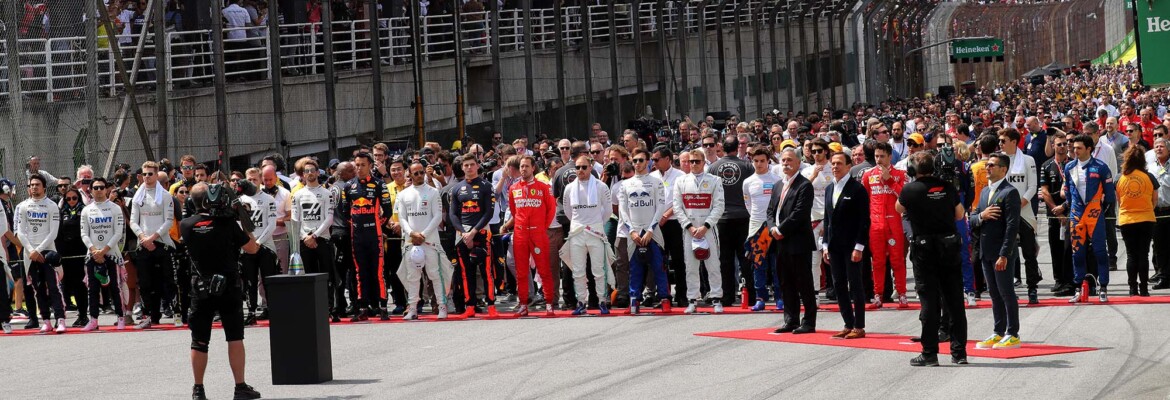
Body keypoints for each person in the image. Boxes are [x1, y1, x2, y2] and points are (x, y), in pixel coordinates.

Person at [181, 183, 262, 400]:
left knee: (199, 340)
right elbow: (252, 248)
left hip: (200, 287)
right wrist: (242, 217)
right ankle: (240, 386)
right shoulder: (227, 224)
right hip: (228, 286)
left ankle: (198, 388)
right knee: (234, 337)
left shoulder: (186, 225)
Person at [896, 152, 969, 366]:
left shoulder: (909, 189)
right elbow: (960, 214)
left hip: (924, 250)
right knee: (955, 301)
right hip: (948, 247)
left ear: (912, 170)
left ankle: (929, 354)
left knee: (929, 302)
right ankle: (959, 353)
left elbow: (898, 208)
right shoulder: (947, 186)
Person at [970, 153, 1022, 350]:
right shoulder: (984, 192)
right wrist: (982, 216)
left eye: (992, 165)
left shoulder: (1010, 193)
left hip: (1001, 252)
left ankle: (1012, 332)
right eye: (987, 164)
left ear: (1003, 169)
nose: (987, 168)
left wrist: (1004, 254)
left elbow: (1012, 226)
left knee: (1006, 292)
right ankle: (998, 330)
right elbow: (972, 218)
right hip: (986, 251)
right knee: (993, 293)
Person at [339, 153, 394, 321]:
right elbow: (343, 211)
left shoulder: (379, 185)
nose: (359, 168)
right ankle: (362, 307)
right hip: (357, 236)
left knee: (378, 272)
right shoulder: (348, 186)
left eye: (363, 164)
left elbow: (388, 210)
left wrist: (377, 223)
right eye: (357, 165)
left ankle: (383, 306)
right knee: (359, 272)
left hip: (374, 235)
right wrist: (354, 223)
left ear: (370, 165)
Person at [394, 161, 453, 319]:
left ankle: (442, 306)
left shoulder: (433, 192)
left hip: (430, 241)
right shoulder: (403, 195)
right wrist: (412, 233)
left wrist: (423, 235)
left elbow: (437, 217)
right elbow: (402, 218)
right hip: (410, 242)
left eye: (422, 172)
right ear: (410, 175)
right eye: (416, 173)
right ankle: (412, 308)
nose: (420, 175)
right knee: (412, 276)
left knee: (435, 274)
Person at [768, 148, 817, 334]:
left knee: (803, 282)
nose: (785, 164)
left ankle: (809, 322)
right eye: (783, 160)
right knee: (785, 281)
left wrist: (781, 229)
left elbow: (800, 214)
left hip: (798, 241)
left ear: (798, 163)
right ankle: (791, 320)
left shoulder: (804, 185)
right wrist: (772, 228)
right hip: (780, 241)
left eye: (789, 160)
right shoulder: (778, 185)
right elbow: (771, 211)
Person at [501, 156, 557, 316]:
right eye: (521, 166)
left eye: (526, 166)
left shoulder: (544, 187)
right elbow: (513, 209)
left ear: (533, 168)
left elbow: (551, 210)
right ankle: (523, 303)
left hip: (538, 234)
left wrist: (541, 227)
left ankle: (548, 303)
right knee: (521, 271)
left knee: (544, 269)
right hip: (519, 233)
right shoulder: (513, 188)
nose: (523, 169)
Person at [1064, 134, 1116, 303]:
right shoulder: (1069, 166)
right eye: (1074, 147)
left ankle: (1103, 287)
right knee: (1077, 253)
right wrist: (1072, 209)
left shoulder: (1101, 167)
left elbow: (1109, 195)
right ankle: (1078, 287)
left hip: (1095, 215)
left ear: (1089, 149)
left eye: (1079, 148)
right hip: (1077, 215)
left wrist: (1102, 210)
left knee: (1100, 252)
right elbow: (1069, 194)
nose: (1074, 150)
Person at [617, 149, 671, 314]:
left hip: (652, 231)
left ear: (647, 161)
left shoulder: (656, 182)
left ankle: (664, 299)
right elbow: (622, 210)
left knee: (658, 267)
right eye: (635, 161)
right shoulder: (625, 184)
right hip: (634, 232)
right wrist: (632, 231)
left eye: (641, 160)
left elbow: (660, 207)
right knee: (634, 268)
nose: (638, 164)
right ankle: (634, 301)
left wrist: (650, 229)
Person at [672, 150, 726, 314]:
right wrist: (689, 226)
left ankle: (716, 298)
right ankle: (692, 299)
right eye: (691, 161)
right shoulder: (680, 181)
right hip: (689, 229)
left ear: (704, 162)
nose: (694, 164)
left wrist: (706, 226)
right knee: (690, 266)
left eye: (697, 161)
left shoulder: (715, 180)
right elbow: (677, 207)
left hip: (708, 228)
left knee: (713, 264)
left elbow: (719, 206)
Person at [822, 151, 868, 339]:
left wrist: (859, 246)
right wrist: (825, 244)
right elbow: (827, 219)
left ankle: (859, 326)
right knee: (838, 284)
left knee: (855, 285)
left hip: (852, 246)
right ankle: (847, 323)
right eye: (833, 163)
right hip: (834, 245)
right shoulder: (829, 188)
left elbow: (864, 220)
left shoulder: (857, 189)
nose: (835, 167)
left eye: (839, 163)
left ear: (849, 166)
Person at [562, 155, 616, 315]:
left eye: (584, 167)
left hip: (596, 232)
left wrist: (595, 223)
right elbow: (568, 211)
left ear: (591, 167)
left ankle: (601, 300)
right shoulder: (569, 188)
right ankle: (581, 301)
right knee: (578, 271)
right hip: (577, 232)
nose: (580, 170)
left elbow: (608, 211)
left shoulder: (601, 187)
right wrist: (581, 225)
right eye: (577, 167)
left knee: (599, 270)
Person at [448, 155, 497, 317]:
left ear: (477, 166)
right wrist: (463, 233)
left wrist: (473, 232)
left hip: (481, 232)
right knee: (465, 272)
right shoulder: (455, 188)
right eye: (466, 165)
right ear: (462, 168)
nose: (469, 168)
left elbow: (489, 213)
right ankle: (470, 306)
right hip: (462, 235)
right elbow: (453, 215)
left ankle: (491, 305)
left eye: (472, 165)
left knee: (486, 271)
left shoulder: (486, 186)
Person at [861, 142, 909, 309]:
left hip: (894, 224)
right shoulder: (867, 175)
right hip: (875, 225)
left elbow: (905, 197)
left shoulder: (901, 174)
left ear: (890, 156)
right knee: (878, 262)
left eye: (882, 156)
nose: (879, 160)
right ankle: (878, 296)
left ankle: (902, 294)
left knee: (897, 260)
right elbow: (864, 200)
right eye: (876, 156)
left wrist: (890, 181)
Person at [129, 161, 176, 329]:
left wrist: (154, 238)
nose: (147, 177)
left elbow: (169, 221)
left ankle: (176, 313)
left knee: (168, 281)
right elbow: (133, 221)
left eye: (150, 174)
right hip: (144, 244)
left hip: (162, 244)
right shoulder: (137, 196)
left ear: (157, 175)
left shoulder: (165, 195)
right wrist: (143, 238)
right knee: (146, 283)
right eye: (145, 174)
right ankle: (150, 316)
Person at [15, 174, 64, 334]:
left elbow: (53, 233)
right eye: (31, 185)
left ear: (44, 187)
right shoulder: (22, 206)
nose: (34, 187)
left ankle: (60, 320)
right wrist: (31, 250)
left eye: (37, 184)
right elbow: (20, 232)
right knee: (38, 289)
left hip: (47, 252)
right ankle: (46, 321)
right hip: (30, 254)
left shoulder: (51, 206)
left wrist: (39, 250)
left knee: (54, 287)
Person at [998, 128, 1042, 304]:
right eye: (999, 140)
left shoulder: (1027, 160)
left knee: (1029, 253)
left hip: (1024, 211)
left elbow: (1032, 186)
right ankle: (1008, 289)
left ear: (1014, 142)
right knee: (1006, 253)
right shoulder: (997, 160)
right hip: (1004, 213)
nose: (1000, 143)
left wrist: (1020, 203)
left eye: (1003, 140)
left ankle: (1032, 288)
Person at [289, 158, 339, 316]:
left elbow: (329, 218)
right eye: (306, 171)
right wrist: (305, 236)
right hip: (304, 241)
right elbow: (295, 219)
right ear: (302, 175)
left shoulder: (327, 193)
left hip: (322, 239)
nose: (310, 174)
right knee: (308, 276)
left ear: (318, 172)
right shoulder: (297, 195)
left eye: (312, 171)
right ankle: (311, 309)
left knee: (326, 275)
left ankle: (329, 308)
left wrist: (315, 236)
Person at [708, 135, 752, 307]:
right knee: (745, 257)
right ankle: (751, 295)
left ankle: (727, 296)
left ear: (722, 148)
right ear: (736, 148)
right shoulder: (747, 166)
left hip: (723, 218)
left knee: (725, 260)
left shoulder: (712, 168)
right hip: (742, 216)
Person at [79, 177, 126, 331]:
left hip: (111, 253)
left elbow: (118, 232)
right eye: (95, 188)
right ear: (91, 190)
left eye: (101, 187)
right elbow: (84, 233)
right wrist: (94, 250)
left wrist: (104, 250)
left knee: (115, 287)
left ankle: (120, 317)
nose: (99, 190)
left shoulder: (115, 208)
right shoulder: (86, 210)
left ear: (106, 189)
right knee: (92, 288)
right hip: (92, 254)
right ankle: (93, 320)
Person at [743, 147, 782, 311]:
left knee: (776, 265)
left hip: (773, 227)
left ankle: (780, 297)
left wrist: (773, 224)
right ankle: (760, 297)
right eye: (756, 161)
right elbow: (748, 205)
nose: (759, 164)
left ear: (768, 161)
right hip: (756, 228)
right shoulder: (747, 182)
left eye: (762, 161)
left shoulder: (777, 180)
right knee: (759, 265)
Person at [238, 168, 278, 324]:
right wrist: (249, 243)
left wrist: (259, 242)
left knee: (268, 279)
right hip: (247, 247)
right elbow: (238, 224)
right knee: (249, 281)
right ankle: (251, 312)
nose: (252, 182)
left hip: (265, 246)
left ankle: (272, 309)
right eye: (249, 180)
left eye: (255, 179)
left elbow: (272, 224)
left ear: (261, 180)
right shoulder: (240, 201)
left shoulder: (269, 199)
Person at [1116, 146, 1157, 296]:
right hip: (1146, 219)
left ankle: (1132, 288)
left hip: (1127, 220)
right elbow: (1154, 201)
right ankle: (1144, 288)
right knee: (1143, 254)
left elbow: (1119, 201)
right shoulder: (1149, 177)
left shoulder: (1121, 178)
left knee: (1131, 255)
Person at [1039, 132, 1075, 296]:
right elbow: (1044, 191)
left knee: (1069, 248)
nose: (1062, 147)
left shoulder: (1074, 164)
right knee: (1055, 247)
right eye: (1059, 144)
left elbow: (1076, 191)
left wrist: (1064, 207)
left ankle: (1070, 280)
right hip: (1054, 214)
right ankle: (1058, 280)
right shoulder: (1046, 165)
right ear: (1053, 145)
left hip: (1071, 213)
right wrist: (1056, 209)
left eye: (1064, 144)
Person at [1149, 138, 1170, 290]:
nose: (1158, 149)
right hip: (1156, 212)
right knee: (1159, 247)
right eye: (1156, 146)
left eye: (1162, 146)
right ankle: (1163, 277)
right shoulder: (1150, 168)